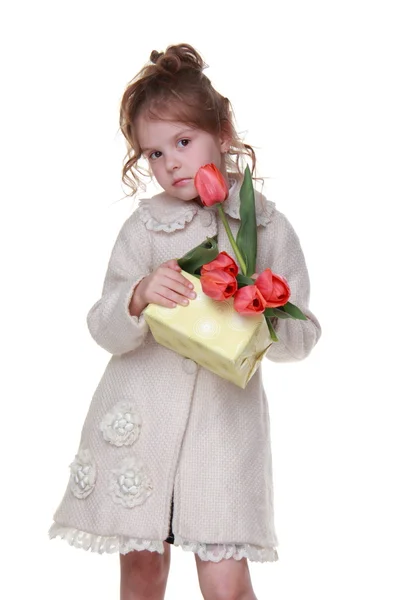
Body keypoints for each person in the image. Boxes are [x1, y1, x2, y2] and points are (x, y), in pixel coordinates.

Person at [49, 43, 322, 600]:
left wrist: (266, 304)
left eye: (182, 141)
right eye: (151, 154)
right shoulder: (145, 227)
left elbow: (301, 338)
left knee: (225, 584)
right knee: (143, 575)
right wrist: (138, 295)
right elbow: (102, 327)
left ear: (222, 132)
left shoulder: (265, 225)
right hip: (142, 431)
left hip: (223, 439)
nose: (169, 162)